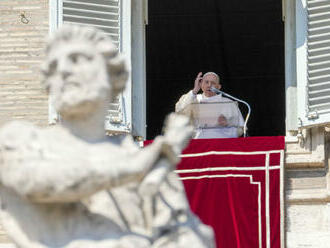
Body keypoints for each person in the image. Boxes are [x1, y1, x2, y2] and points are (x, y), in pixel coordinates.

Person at [0, 26, 214, 247]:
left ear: (112, 77)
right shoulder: (23, 141)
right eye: (53, 67)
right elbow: (36, 182)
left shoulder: (144, 161)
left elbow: (186, 235)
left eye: (77, 59)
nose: (63, 70)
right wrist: (134, 168)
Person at [176, 72, 244, 139]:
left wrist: (227, 124)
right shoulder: (193, 100)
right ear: (201, 84)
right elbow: (179, 110)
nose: (209, 85)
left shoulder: (228, 103)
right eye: (206, 82)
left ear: (219, 87)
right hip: (198, 143)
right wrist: (195, 90)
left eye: (213, 83)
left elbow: (240, 129)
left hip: (222, 142)